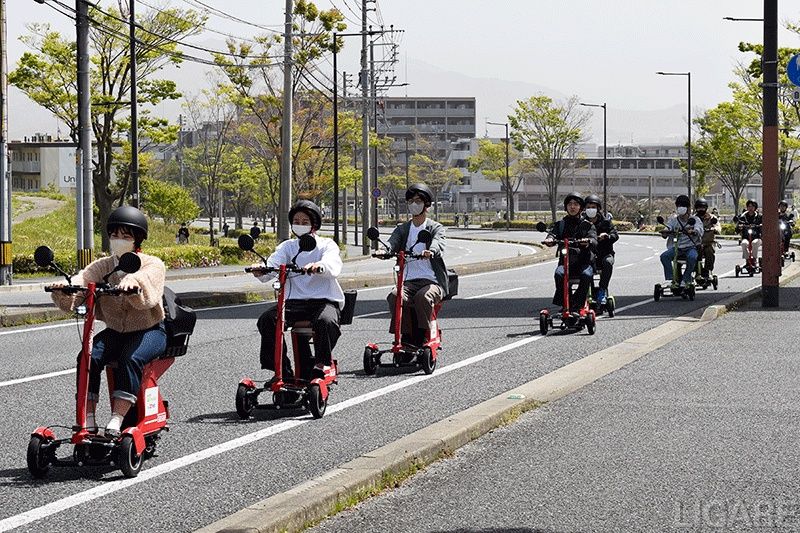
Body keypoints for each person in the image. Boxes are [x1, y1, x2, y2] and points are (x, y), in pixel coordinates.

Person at [50, 206, 167, 437]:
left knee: (130, 358)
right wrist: (66, 288)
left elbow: (145, 282)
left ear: (137, 239)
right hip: (116, 331)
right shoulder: (104, 265)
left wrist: (132, 284)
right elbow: (84, 277)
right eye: (115, 235)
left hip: (150, 330)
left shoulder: (152, 264)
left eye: (126, 236)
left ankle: (117, 419)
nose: (119, 240)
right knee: (88, 356)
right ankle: (89, 418)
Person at [253, 200, 344, 381]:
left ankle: (321, 363)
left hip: (323, 301)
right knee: (267, 320)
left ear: (314, 225)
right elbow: (273, 265)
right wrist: (261, 269)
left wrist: (319, 266)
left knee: (326, 321)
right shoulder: (288, 246)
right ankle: (281, 370)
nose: (300, 225)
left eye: (305, 222)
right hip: (294, 302)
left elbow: (332, 264)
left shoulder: (327, 244)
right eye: (296, 221)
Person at [386, 183, 450, 344]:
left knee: (423, 297)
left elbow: (438, 242)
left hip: (432, 281)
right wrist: (383, 250)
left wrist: (431, 251)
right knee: (395, 296)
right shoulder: (403, 229)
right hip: (408, 281)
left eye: (418, 201)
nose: (414, 204)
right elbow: (392, 242)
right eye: (411, 201)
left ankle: (422, 335)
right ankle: (405, 336)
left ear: (426, 204)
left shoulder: (436, 227)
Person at [543, 192, 597, 316]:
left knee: (586, 275)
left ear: (581, 208)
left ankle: (577, 304)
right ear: (566, 207)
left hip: (584, 262)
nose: (572, 207)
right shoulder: (561, 224)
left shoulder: (587, 225)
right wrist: (549, 239)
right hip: (566, 262)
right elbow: (552, 234)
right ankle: (564, 303)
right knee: (559, 274)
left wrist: (587, 241)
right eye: (570, 204)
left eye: (576, 204)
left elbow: (594, 240)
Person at [659, 194, 703, 288]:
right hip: (677, 248)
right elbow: (668, 227)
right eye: (679, 206)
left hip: (691, 247)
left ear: (688, 207)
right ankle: (671, 279)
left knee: (692, 258)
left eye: (683, 205)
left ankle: (686, 279)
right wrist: (665, 232)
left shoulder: (695, 219)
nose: (681, 208)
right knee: (664, 256)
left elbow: (699, 230)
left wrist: (693, 231)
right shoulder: (673, 220)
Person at [583, 194, 617, 306]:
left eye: (593, 207)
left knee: (608, 262)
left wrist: (607, 236)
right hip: (588, 254)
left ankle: (602, 290)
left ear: (598, 208)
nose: (590, 209)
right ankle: (587, 293)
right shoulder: (582, 222)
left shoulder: (606, 222)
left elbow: (615, 235)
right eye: (588, 207)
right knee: (584, 266)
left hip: (605, 253)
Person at [694, 198, 721, 281]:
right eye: (699, 208)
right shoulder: (693, 219)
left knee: (709, 252)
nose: (700, 209)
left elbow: (718, 226)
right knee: (692, 254)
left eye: (702, 208)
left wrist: (715, 229)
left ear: (706, 208)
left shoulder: (712, 218)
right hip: (696, 244)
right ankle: (698, 271)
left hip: (708, 242)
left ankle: (707, 271)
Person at [736, 199, 762, 264]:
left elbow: (763, 226)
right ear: (747, 207)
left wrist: (760, 225)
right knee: (743, 244)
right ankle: (747, 259)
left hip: (757, 237)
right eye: (749, 206)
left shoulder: (759, 217)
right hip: (746, 237)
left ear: (755, 207)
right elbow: (737, 228)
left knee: (754, 243)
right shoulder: (743, 217)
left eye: (752, 206)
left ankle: (754, 259)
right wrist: (740, 226)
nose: (751, 208)